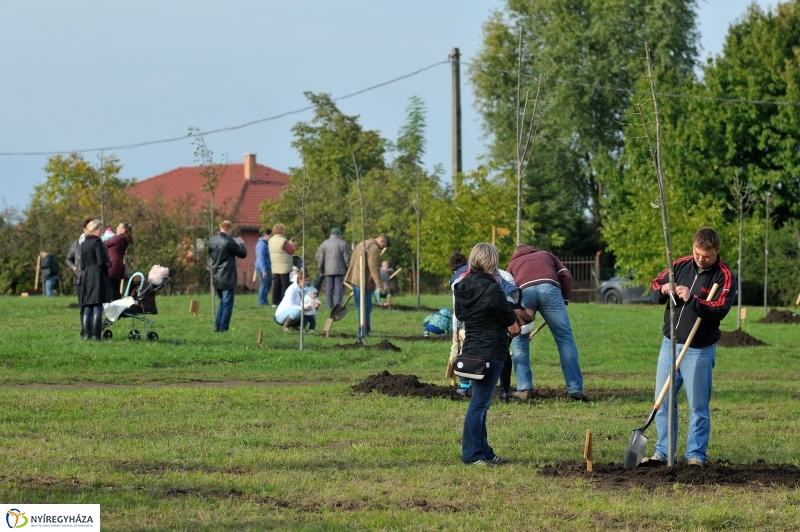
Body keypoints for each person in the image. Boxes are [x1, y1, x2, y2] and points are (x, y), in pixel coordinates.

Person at [644, 226, 735, 467]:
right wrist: (663, 290)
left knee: (698, 406)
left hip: (699, 350)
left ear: (717, 251)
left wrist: (693, 299)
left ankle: (696, 455)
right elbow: (654, 286)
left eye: (707, 256)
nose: (701, 259)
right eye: (697, 253)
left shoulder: (724, 275)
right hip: (670, 345)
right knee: (664, 401)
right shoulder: (680, 265)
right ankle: (664, 452)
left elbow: (720, 309)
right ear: (693, 247)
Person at [453, 242, 517, 466]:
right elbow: (508, 318)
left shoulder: (461, 285)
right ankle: (472, 454)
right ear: (492, 261)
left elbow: (460, 315)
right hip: (492, 349)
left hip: (472, 348)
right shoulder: (493, 288)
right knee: (479, 404)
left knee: (482, 403)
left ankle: (484, 451)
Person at [507, 244, 589, 401]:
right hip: (550, 290)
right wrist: (564, 299)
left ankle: (523, 388)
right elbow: (566, 275)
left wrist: (515, 310)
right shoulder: (547, 255)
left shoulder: (513, 264)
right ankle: (575, 389)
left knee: (520, 341)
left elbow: (508, 287)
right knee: (565, 339)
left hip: (524, 292)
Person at [344, 235, 390, 338]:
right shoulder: (373, 248)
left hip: (355, 279)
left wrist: (350, 277)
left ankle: (364, 331)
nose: (382, 248)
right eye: (383, 245)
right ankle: (363, 332)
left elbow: (352, 261)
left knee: (361, 308)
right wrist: (380, 285)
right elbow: (374, 268)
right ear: (381, 240)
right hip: (364, 281)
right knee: (365, 308)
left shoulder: (361, 243)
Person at [208, 220, 247, 333]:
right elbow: (243, 254)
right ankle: (223, 329)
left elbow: (211, 255)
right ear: (229, 229)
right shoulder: (229, 241)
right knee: (227, 305)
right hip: (227, 277)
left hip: (216, 276)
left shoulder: (211, 240)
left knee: (222, 302)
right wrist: (241, 244)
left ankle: (217, 326)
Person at [79, 220, 112, 340]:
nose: (101, 232)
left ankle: (86, 335)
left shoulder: (83, 243)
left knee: (88, 307)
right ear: (93, 229)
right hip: (97, 275)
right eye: (100, 230)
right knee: (97, 306)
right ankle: (97, 336)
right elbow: (100, 262)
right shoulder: (97, 242)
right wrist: (109, 264)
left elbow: (82, 265)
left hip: (87, 275)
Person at [66, 218, 93, 337]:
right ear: (84, 229)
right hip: (79, 279)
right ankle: (84, 331)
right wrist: (73, 267)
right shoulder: (76, 243)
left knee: (92, 306)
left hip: (93, 279)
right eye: (89, 228)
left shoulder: (97, 243)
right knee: (83, 306)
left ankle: (93, 330)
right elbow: (68, 259)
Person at [315, 227, 351, 309]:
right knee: (339, 287)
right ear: (339, 234)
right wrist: (348, 268)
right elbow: (346, 258)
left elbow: (320, 257)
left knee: (329, 287)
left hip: (327, 269)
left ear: (331, 234)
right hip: (339, 268)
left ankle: (329, 305)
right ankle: (338, 304)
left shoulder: (324, 244)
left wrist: (321, 268)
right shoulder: (343, 243)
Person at [269, 223, 297, 307]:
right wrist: (293, 245)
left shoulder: (271, 240)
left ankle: (275, 302)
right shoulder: (283, 241)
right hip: (284, 265)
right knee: (285, 284)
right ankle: (284, 301)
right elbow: (291, 250)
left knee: (276, 284)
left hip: (275, 265)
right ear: (282, 231)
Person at [105, 222, 133, 300]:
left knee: (111, 287)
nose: (117, 228)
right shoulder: (124, 239)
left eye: (119, 227)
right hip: (118, 266)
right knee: (114, 286)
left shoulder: (118, 238)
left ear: (123, 230)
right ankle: (117, 303)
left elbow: (105, 244)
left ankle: (114, 304)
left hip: (112, 266)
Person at [254, 228, 273, 306]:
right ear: (266, 235)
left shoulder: (265, 244)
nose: (271, 237)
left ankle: (264, 300)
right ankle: (262, 302)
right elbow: (261, 258)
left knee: (268, 284)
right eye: (270, 235)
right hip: (263, 266)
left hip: (266, 266)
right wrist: (264, 270)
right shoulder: (261, 244)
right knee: (264, 284)